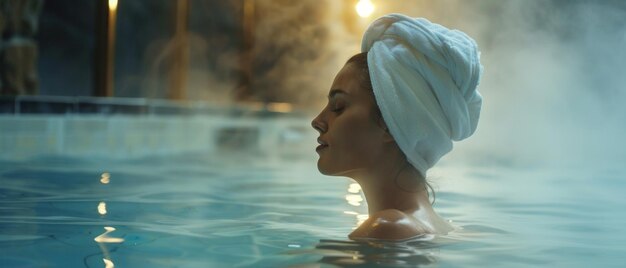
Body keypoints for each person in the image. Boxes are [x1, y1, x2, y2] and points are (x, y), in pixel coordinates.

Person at [311, 14, 483, 241]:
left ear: (390, 125)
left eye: (338, 106)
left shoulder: (388, 227)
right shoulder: (443, 228)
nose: (317, 121)